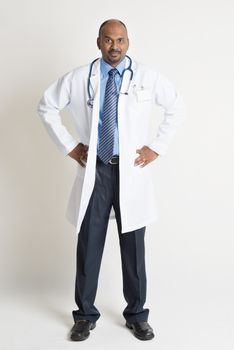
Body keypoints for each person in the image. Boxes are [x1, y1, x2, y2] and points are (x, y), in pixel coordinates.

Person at [37, 19, 184, 342]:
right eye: (108, 40)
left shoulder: (146, 77)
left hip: (131, 169)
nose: (114, 46)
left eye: (120, 40)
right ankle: (85, 316)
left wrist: (156, 148)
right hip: (96, 170)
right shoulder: (79, 78)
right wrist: (71, 147)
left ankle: (137, 315)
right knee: (89, 244)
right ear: (98, 42)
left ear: (128, 42)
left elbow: (175, 106)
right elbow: (46, 106)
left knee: (133, 247)